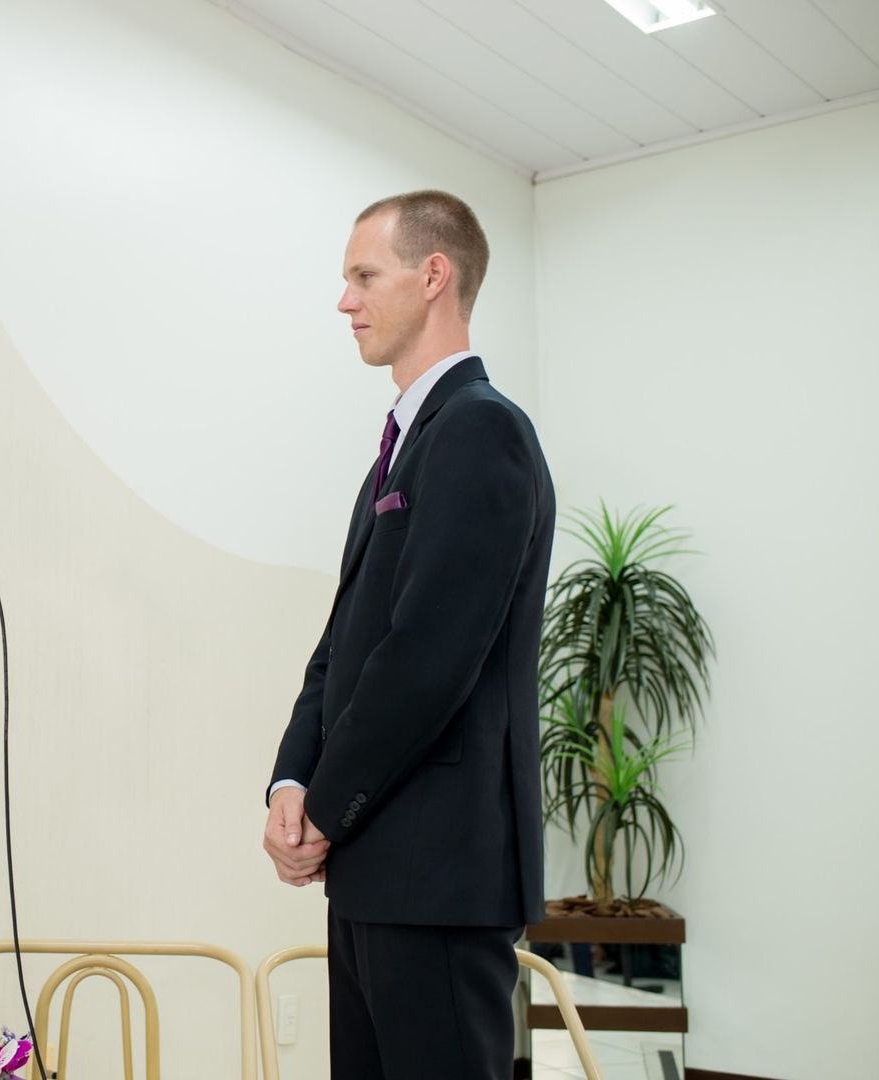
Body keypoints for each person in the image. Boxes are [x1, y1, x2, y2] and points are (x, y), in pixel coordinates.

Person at [262, 193, 555, 1079]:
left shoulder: (480, 429)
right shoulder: (402, 444)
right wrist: (291, 775)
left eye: (363, 276)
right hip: (375, 867)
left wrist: (324, 804)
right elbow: (343, 644)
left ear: (434, 276)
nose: (345, 301)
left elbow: (428, 658)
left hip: (438, 870)